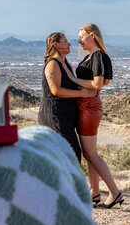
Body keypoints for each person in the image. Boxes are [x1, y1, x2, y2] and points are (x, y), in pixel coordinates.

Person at [63, 23, 124, 209]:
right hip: (86, 106)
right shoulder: (92, 56)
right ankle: (94, 192)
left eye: (81, 36)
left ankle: (114, 193)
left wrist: (73, 79)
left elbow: (97, 83)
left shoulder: (98, 56)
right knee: (90, 153)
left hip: (89, 107)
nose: (79, 40)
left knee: (91, 154)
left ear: (92, 36)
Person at [38, 32, 97, 163]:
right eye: (65, 41)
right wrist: (82, 94)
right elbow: (56, 90)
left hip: (66, 114)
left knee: (69, 153)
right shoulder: (53, 64)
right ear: (56, 45)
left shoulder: (64, 63)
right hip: (55, 114)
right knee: (70, 152)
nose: (69, 43)